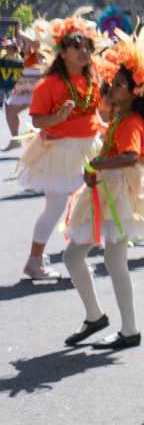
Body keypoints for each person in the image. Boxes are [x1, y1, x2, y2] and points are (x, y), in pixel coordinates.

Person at [61, 39, 144, 349]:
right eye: (114, 83)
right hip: (108, 191)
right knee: (83, 256)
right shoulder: (122, 117)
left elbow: (131, 156)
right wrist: (95, 170)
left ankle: (125, 328)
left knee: (102, 259)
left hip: (119, 195)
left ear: (134, 91)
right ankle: (99, 318)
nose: (114, 88)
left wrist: (98, 163)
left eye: (120, 84)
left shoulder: (131, 121)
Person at [14, 20, 100, 282]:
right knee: (57, 207)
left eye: (87, 47)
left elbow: (93, 112)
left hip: (89, 150)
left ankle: (75, 258)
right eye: (76, 47)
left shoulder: (92, 77)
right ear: (62, 52)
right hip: (61, 152)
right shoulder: (49, 84)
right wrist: (58, 117)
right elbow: (38, 120)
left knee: (91, 204)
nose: (83, 52)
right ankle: (35, 260)